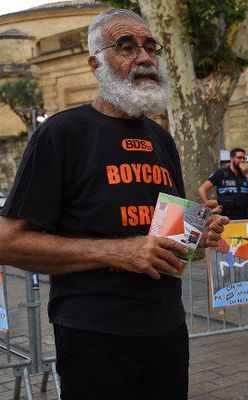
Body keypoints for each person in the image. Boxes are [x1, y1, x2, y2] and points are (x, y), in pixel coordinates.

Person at [0, 9, 228, 400]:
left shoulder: (161, 138)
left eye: (149, 46)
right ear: (95, 63)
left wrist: (195, 234)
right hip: (94, 333)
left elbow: (162, 236)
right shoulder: (62, 132)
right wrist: (118, 252)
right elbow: (8, 241)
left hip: (168, 327)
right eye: (126, 46)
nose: (143, 57)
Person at [198, 148, 248, 220]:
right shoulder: (221, 173)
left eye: (244, 158)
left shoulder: (245, 175)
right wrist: (211, 206)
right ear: (231, 158)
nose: (242, 160)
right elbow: (202, 189)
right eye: (239, 158)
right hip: (226, 216)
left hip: (245, 216)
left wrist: (247, 175)